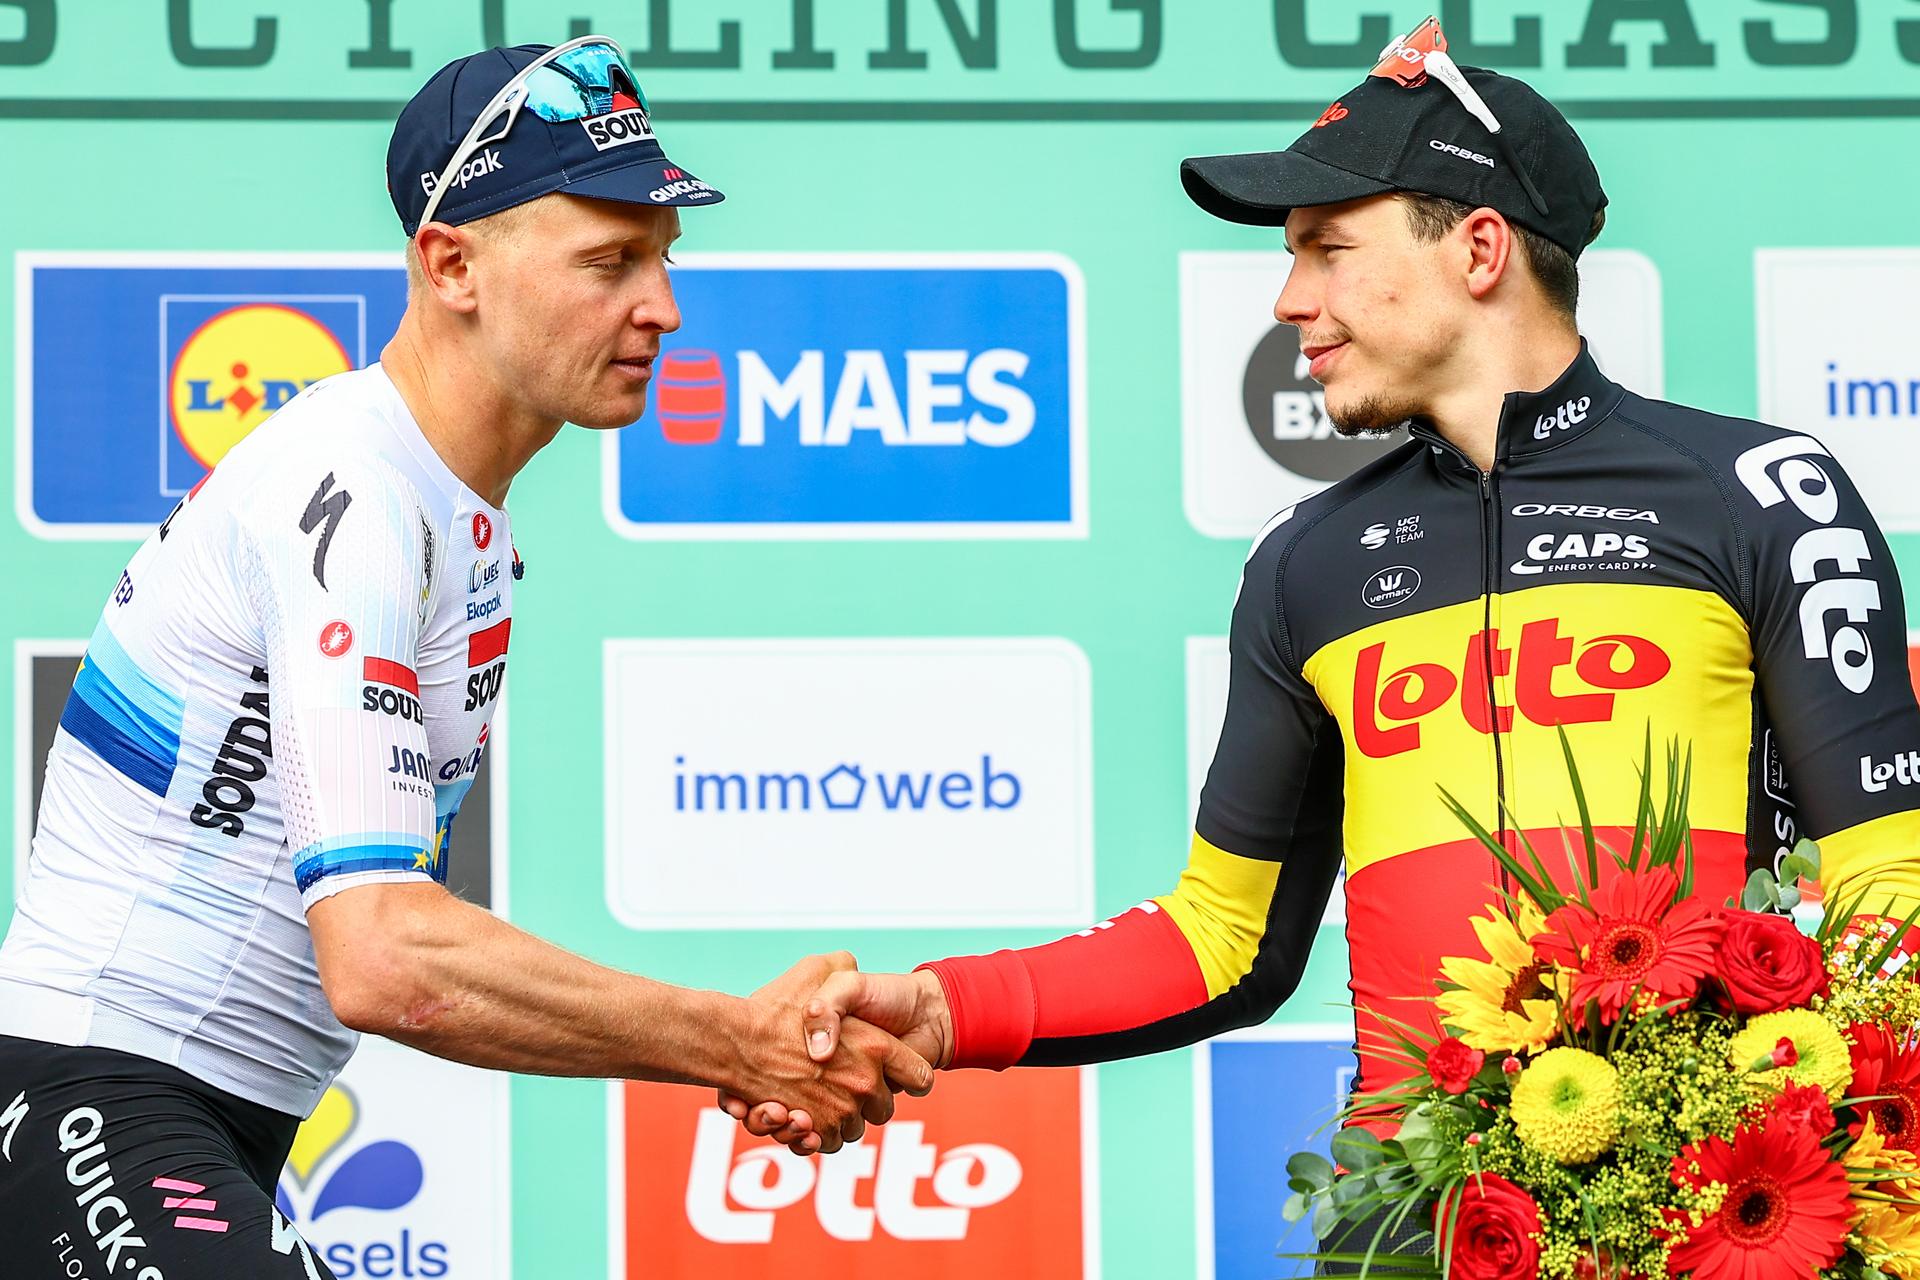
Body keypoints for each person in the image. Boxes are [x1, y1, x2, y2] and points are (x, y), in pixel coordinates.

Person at [719, 20, 1920, 1266]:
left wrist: (1789, 1149)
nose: (1291, 298)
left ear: (1480, 247)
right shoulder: (1309, 558)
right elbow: (1220, 940)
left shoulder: (1760, 492)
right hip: (1415, 1221)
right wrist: (937, 1002)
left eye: (1329, 251)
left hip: (1718, 1212)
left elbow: (1897, 899)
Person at [0, 37, 927, 1279]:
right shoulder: (356, 496)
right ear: (453, 265)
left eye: (662, 258)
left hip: (210, 1119)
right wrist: (734, 1040)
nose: (663, 306)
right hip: (96, 1093)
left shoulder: (455, 516)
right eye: (609, 260)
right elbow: (387, 955)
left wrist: (735, 1044)